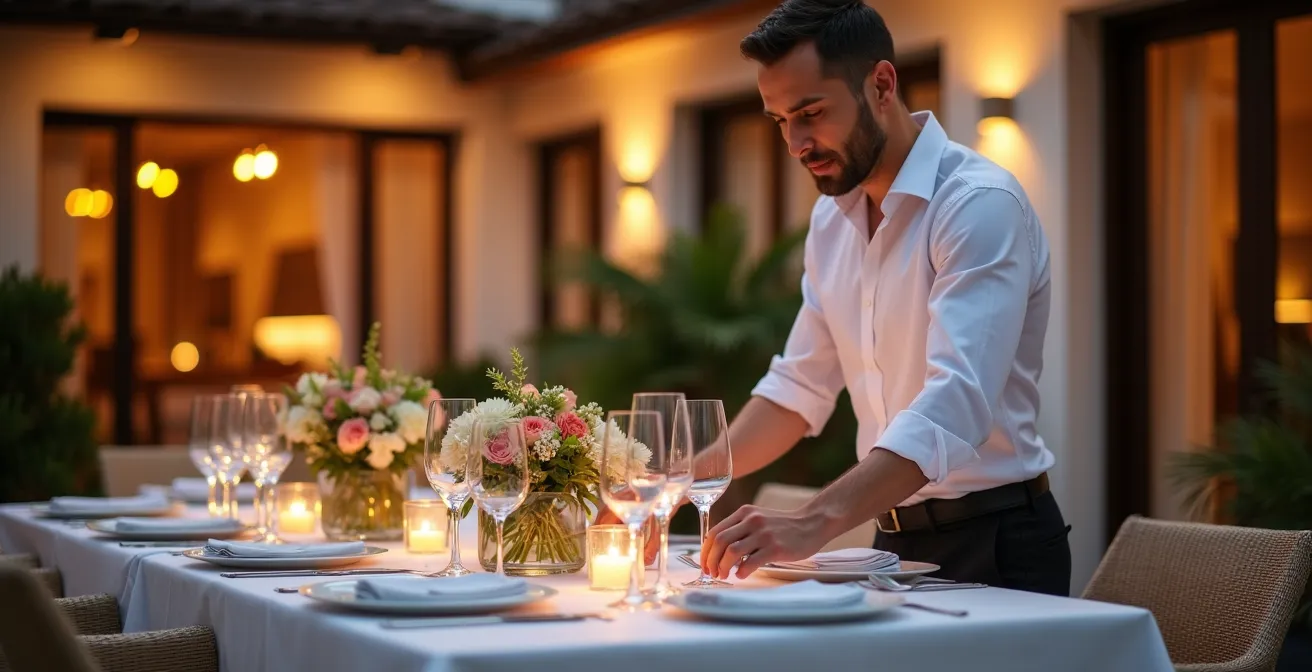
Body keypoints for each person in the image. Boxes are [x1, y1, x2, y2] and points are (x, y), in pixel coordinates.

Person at [693, 0, 1072, 596]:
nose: (795, 143)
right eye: (780, 121)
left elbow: (954, 405)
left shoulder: (976, 205)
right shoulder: (831, 222)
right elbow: (799, 386)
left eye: (811, 113)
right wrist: (681, 482)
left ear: (882, 85)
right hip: (890, 545)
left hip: (999, 542)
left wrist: (812, 522)